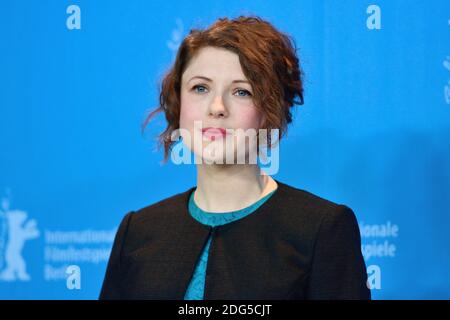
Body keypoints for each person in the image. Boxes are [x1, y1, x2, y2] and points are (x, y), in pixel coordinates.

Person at [99, 15, 371, 300]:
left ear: (270, 111)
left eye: (242, 91)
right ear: (178, 103)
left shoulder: (321, 228)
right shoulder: (137, 231)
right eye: (200, 88)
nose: (217, 107)